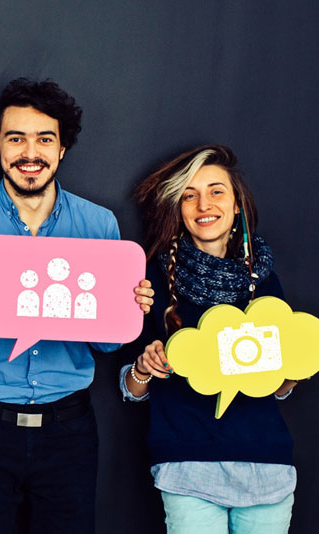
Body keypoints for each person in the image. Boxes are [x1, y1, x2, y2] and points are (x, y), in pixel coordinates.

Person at [0, 78, 154, 533]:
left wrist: (127, 313)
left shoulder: (98, 223)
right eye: (16, 138)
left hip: (69, 429)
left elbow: (107, 348)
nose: (31, 152)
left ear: (62, 148)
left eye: (45, 138)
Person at [122, 145, 301, 533]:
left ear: (237, 205)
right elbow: (131, 389)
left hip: (265, 463)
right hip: (186, 462)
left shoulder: (265, 281)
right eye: (189, 193)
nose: (204, 203)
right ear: (178, 207)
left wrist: (293, 368)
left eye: (217, 190)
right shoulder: (150, 280)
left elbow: (282, 387)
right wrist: (143, 367)